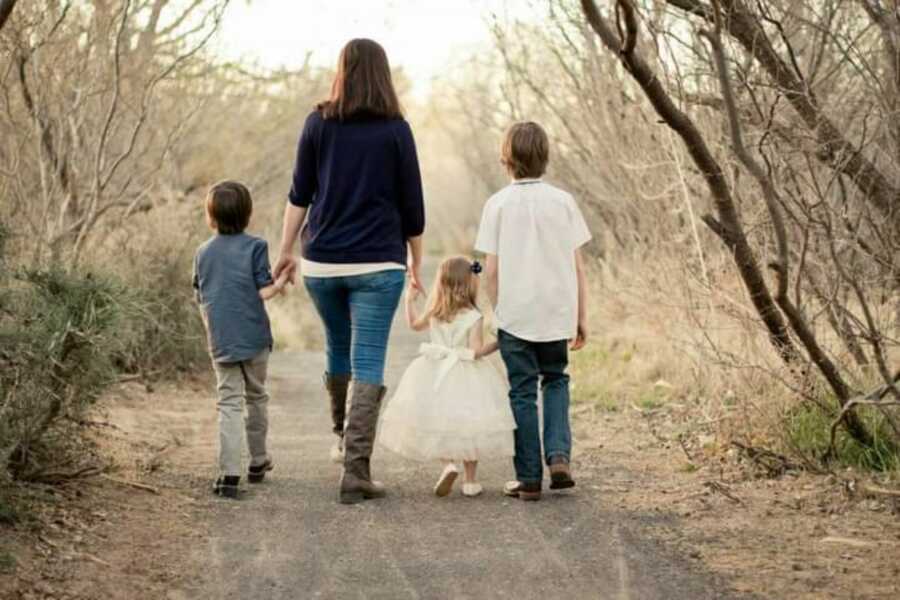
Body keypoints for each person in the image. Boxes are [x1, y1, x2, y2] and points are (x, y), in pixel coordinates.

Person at [272, 38, 426, 504]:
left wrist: (285, 251)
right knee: (369, 362)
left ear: (342, 71)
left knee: (338, 347)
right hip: (380, 263)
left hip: (322, 262)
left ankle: (342, 440)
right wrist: (417, 262)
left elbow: (299, 194)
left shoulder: (318, 123)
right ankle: (357, 471)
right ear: (383, 73)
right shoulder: (396, 129)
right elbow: (412, 206)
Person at [474, 121, 591, 502]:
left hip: (516, 316)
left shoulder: (497, 205)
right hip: (556, 313)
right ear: (545, 157)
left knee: (521, 392)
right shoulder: (563, 202)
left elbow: (490, 270)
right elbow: (577, 266)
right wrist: (580, 316)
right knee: (555, 380)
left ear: (506, 160)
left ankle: (528, 479)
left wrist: (499, 309)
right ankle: (558, 456)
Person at [377, 257, 515, 497]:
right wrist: (498, 344)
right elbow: (473, 352)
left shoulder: (435, 311)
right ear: (470, 283)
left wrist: (409, 300)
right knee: (469, 423)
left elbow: (414, 325)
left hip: (434, 369)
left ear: (441, 283)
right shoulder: (474, 316)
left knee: (438, 420)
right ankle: (471, 481)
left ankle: (448, 464)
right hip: (466, 373)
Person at [193, 181, 288, 499]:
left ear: (211, 217)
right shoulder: (256, 246)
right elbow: (264, 291)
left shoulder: (202, 252)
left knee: (229, 403)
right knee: (256, 397)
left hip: (221, 339)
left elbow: (200, 295)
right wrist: (283, 279)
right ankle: (258, 461)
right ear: (248, 214)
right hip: (254, 338)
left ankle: (228, 473)